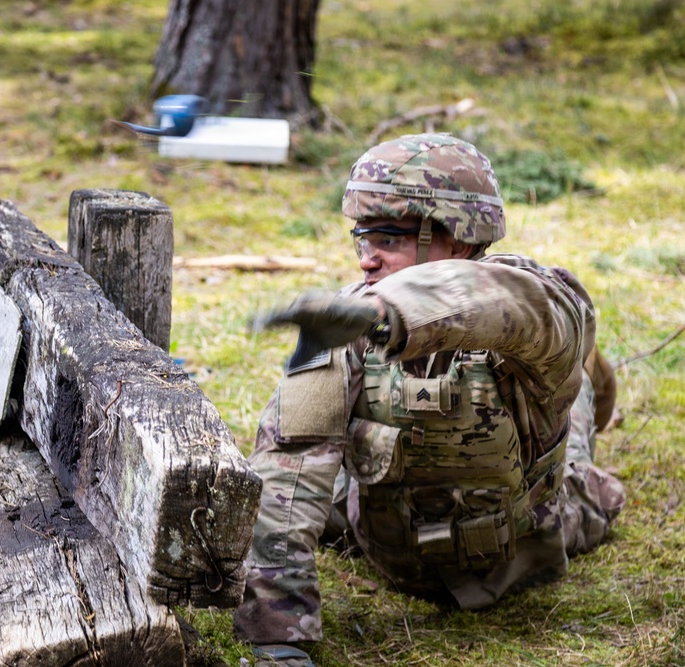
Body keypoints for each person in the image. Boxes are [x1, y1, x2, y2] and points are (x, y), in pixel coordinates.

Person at [234, 133, 626, 667]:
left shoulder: (534, 302)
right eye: (361, 239)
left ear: (460, 241)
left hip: (528, 545)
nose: (367, 261)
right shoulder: (348, 324)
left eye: (388, 238)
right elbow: (289, 470)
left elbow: (515, 303)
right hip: (382, 541)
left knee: (576, 406)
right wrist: (278, 640)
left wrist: (391, 315)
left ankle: (593, 375)